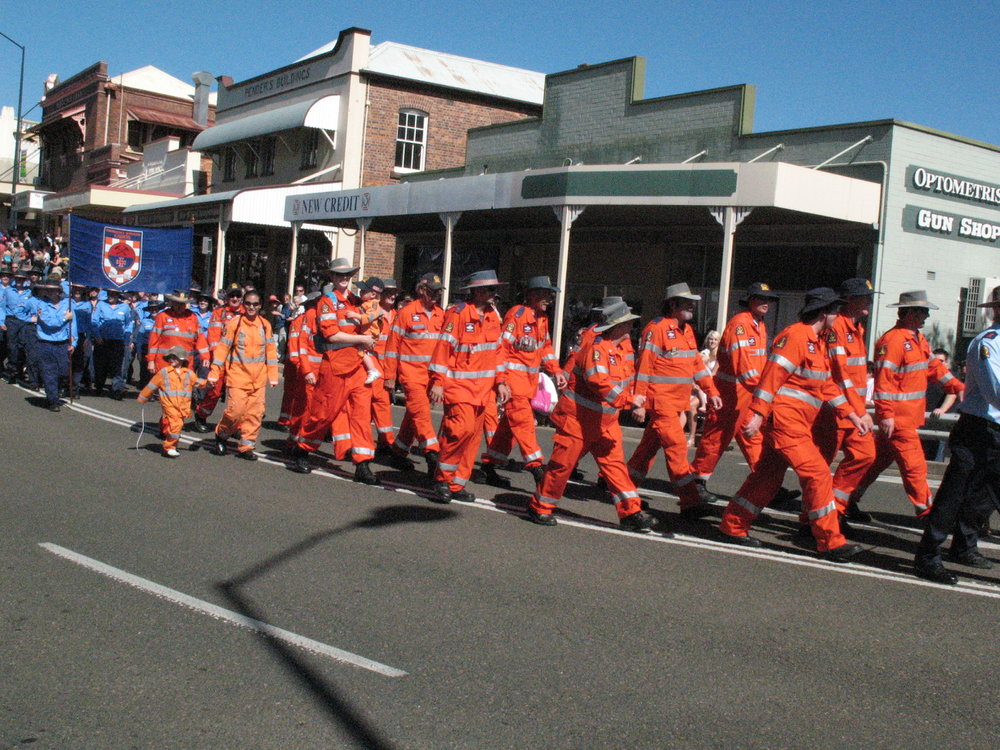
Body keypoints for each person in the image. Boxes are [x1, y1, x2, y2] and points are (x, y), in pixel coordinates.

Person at [718, 288, 871, 561]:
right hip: (786, 422)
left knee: (768, 476)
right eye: (836, 310)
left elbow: (826, 385)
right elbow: (771, 377)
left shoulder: (818, 341)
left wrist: (852, 414)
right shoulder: (796, 336)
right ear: (824, 312)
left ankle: (733, 524)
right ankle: (830, 541)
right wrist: (757, 414)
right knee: (818, 474)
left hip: (798, 422)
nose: (839, 315)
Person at [528, 300, 655, 532]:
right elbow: (599, 382)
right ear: (617, 326)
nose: (631, 328)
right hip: (578, 420)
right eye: (627, 324)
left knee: (616, 468)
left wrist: (634, 400)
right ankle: (540, 506)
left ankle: (631, 512)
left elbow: (626, 379)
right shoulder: (596, 348)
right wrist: (629, 401)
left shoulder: (621, 348)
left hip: (606, 421)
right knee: (561, 467)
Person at [848, 290, 964, 518]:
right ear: (909, 312)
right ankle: (926, 513)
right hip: (899, 420)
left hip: (906, 418)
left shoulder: (917, 339)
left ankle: (847, 498)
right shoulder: (893, 341)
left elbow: (935, 368)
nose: (927, 316)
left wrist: (958, 387)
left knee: (876, 462)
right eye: (923, 311)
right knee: (915, 467)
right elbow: (884, 380)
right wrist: (887, 414)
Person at [913, 286, 1000, 584]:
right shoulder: (988, 343)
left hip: (995, 431)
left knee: (984, 496)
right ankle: (928, 556)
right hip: (978, 428)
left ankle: (964, 546)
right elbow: (995, 391)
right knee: (954, 495)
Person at [627, 282, 722, 517]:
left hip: (677, 404)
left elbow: (697, 367)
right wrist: (638, 400)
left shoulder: (687, 331)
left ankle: (624, 489)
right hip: (661, 404)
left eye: (692, 302)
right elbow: (645, 366)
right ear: (672, 304)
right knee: (678, 450)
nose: (692, 305)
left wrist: (711, 391)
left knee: (646, 450)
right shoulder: (656, 329)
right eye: (686, 301)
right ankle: (690, 502)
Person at [289, 257, 380, 483]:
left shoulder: (355, 300)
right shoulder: (326, 302)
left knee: (361, 416)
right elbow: (331, 334)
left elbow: (373, 318)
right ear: (332, 277)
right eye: (340, 275)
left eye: (348, 275)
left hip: (358, 366)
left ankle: (363, 464)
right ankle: (302, 448)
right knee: (323, 414)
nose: (344, 278)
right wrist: (362, 338)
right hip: (336, 365)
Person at [428, 270, 510, 503]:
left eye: (494, 289)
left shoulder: (493, 315)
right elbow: (444, 349)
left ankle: (457, 484)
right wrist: (437, 382)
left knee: (472, 437)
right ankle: (442, 479)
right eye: (489, 289)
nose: (493, 294)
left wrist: (501, 381)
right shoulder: (458, 314)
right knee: (459, 432)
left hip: (484, 390)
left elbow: (497, 351)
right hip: (458, 386)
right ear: (476, 292)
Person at [691, 282, 778, 491]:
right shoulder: (741, 324)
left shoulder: (759, 324)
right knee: (716, 438)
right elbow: (744, 366)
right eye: (761, 299)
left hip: (748, 392)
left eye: (768, 299)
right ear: (750, 301)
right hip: (731, 393)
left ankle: (765, 483)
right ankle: (697, 481)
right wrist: (765, 390)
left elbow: (759, 361)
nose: (766, 303)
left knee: (754, 437)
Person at [482, 275, 568, 485]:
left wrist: (556, 371)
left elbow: (545, 347)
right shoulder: (517, 316)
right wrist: (501, 381)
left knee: (508, 430)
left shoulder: (542, 318)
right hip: (513, 383)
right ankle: (537, 467)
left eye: (550, 295)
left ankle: (488, 466)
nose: (549, 299)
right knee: (524, 424)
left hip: (529, 383)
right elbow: (501, 349)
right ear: (532, 295)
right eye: (545, 294)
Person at [812, 278, 879, 524]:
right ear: (849, 300)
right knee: (820, 468)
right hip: (835, 410)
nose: (870, 301)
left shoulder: (856, 328)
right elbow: (840, 376)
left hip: (853, 410)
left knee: (865, 455)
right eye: (865, 297)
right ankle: (814, 519)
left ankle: (836, 509)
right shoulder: (838, 327)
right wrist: (859, 411)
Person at [382, 272, 447, 475]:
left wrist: (441, 379)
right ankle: (432, 454)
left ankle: (399, 451)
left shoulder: (441, 314)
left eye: (438, 292)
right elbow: (392, 347)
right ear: (420, 290)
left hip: (431, 376)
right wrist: (390, 376)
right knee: (421, 415)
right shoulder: (406, 313)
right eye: (432, 291)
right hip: (411, 376)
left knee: (413, 415)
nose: (436, 295)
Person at [207, 290, 279, 460]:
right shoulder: (235, 323)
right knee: (235, 412)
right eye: (248, 304)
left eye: (255, 304)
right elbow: (223, 348)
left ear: (260, 306)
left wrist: (273, 375)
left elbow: (270, 351)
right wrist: (214, 372)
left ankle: (246, 445)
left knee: (255, 413)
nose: (251, 307)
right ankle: (222, 434)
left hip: (258, 379)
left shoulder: (265, 325)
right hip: (238, 376)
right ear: (243, 304)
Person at [137, 345, 205, 458]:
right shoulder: (164, 372)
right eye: (170, 357)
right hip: (169, 404)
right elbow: (152, 385)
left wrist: (209, 383)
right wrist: (143, 397)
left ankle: (172, 444)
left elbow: (198, 383)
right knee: (175, 425)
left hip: (183, 406)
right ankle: (169, 447)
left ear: (181, 359)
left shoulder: (188, 373)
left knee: (177, 425)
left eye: (174, 357)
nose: (171, 360)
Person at [193, 288, 244, 432]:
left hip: (239, 361)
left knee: (238, 395)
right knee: (214, 391)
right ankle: (201, 415)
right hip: (221, 360)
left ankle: (235, 426)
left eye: (238, 296)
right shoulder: (218, 313)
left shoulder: (246, 313)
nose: (235, 298)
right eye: (232, 296)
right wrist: (217, 359)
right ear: (228, 298)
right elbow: (213, 338)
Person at [32, 276, 76, 412]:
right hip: (46, 342)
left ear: (59, 291)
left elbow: (73, 324)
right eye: (48, 291)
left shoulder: (67, 304)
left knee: (63, 371)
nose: (51, 293)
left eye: (54, 291)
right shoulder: (41, 304)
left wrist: (73, 341)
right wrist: (64, 317)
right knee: (49, 372)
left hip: (62, 343)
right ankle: (52, 400)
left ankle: (56, 391)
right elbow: (50, 323)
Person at [369, 278, 400, 454]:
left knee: (382, 404)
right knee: (373, 404)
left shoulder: (397, 316)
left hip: (388, 369)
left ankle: (384, 442)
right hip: (372, 367)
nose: (392, 295)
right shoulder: (372, 313)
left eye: (394, 292)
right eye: (388, 292)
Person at [92, 288, 135, 399]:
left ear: (118, 296)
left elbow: (128, 324)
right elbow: (94, 321)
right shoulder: (101, 304)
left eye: (114, 294)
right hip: (102, 340)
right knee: (101, 365)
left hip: (117, 341)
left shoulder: (124, 307)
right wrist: (97, 336)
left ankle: (117, 389)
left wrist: (127, 338)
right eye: (109, 294)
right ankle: (99, 386)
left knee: (117, 366)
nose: (111, 296)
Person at [350, 276, 389, 385]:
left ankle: (373, 371)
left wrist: (355, 315)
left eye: (364, 291)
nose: (361, 292)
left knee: (361, 352)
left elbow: (369, 318)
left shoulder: (375, 304)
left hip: (370, 334)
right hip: (366, 333)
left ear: (373, 294)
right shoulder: (367, 302)